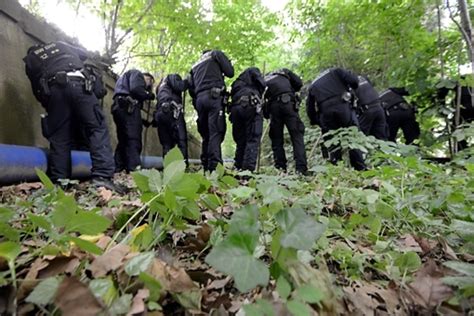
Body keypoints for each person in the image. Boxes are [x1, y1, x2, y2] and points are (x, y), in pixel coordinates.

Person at [23, 41, 122, 192]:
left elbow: (36, 87)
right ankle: (102, 178)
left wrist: (49, 103)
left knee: (59, 137)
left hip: (54, 89)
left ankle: (60, 182)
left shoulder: (33, 57)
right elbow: (83, 54)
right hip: (80, 85)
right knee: (96, 129)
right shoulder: (61, 44)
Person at [306, 67, 366, 170]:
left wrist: (316, 121)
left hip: (325, 113)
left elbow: (309, 107)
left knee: (332, 142)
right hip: (343, 106)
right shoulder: (336, 71)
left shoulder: (313, 85)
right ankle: (360, 168)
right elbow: (354, 81)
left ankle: (336, 168)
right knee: (352, 136)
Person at [189, 49, 234, 171]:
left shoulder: (194, 66)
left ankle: (206, 164)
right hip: (214, 97)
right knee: (215, 132)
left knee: (206, 134)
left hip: (200, 100)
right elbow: (230, 72)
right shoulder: (216, 54)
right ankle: (215, 168)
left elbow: (191, 88)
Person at [264, 68, 308, 174]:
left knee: (276, 139)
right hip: (289, 104)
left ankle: (280, 169)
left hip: (273, 107)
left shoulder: (264, 80)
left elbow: (262, 99)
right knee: (297, 136)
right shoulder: (284, 72)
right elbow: (299, 83)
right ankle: (301, 169)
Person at [112, 69, 155, 172]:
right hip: (128, 107)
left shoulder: (125, 79)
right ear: (147, 78)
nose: (148, 85)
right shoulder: (137, 74)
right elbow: (136, 89)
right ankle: (134, 169)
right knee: (133, 139)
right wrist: (149, 95)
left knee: (123, 140)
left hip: (119, 106)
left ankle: (118, 167)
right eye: (150, 82)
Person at [229, 67, 266, 171]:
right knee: (253, 139)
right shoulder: (253, 71)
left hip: (235, 109)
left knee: (241, 140)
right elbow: (263, 84)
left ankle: (238, 167)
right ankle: (247, 172)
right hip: (251, 106)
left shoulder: (237, 83)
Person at [155, 74, 189, 162]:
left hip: (160, 113)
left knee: (166, 144)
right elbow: (179, 86)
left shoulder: (159, 87)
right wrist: (187, 81)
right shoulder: (171, 77)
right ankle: (182, 168)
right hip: (172, 110)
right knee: (181, 140)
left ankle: (167, 168)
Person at [354, 75, 387, 140]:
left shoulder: (347, 83)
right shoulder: (363, 78)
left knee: (361, 137)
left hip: (367, 110)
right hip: (379, 108)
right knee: (381, 137)